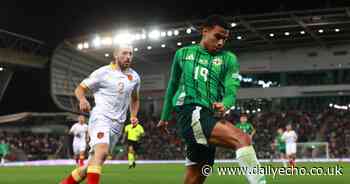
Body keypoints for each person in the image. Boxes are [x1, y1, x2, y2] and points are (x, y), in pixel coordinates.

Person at [157, 15, 266, 184]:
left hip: (210, 115)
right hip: (191, 112)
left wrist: (226, 104)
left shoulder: (228, 59)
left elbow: (231, 90)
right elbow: (172, 85)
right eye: (218, 36)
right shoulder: (183, 54)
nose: (221, 42)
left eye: (225, 39)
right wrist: (164, 117)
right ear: (205, 31)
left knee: (196, 177)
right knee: (242, 139)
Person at [60, 44, 140, 184]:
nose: (128, 57)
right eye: (124, 53)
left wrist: (133, 115)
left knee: (90, 165)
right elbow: (80, 89)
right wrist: (83, 99)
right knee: (101, 152)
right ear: (116, 55)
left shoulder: (134, 77)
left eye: (130, 54)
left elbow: (135, 99)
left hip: (118, 125)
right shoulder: (103, 72)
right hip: (101, 118)